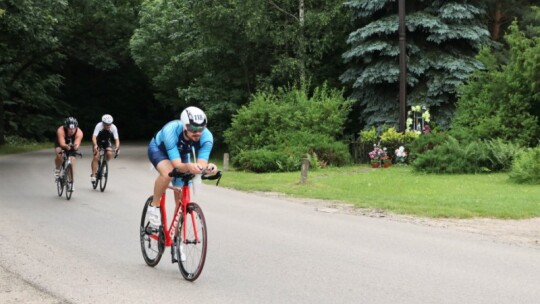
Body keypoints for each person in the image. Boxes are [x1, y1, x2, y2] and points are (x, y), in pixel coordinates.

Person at [147, 106, 218, 228]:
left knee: (182, 201)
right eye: (193, 128)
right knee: (168, 172)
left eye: (201, 128)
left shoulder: (207, 137)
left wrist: (208, 168)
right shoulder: (171, 130)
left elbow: (201, 164)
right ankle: (154, 206)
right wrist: (190, 166)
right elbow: (178, 166)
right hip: (159, 150)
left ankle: (176, 234)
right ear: (185, 126)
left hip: (182, 155)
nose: (197, 133)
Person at [54, 117, 84, 187]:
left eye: (73, 128)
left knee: (72, 160)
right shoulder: (61, 130)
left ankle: (71, 182)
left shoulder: (79, 132)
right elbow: (62, 143)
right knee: (60, 155)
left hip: (72, 143)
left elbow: (77, 144)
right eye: (70, 129)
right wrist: (65, 146)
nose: (72, 130)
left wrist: (75, 147)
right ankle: (57, 170)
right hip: (61, 142)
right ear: (66, 127)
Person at [91, 114, 120, 183]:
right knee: (96, 156)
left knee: (109, 153)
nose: (108, 126)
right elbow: (94, 137)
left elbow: (117, 139)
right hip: (98, 141)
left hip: (107, 141)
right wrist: (95, 145)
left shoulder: (113, 127)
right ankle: (93, 175)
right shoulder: (98, 125)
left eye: (109, 124)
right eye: (106, 124)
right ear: (103, 123)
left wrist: (117, 148)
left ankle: (104, 166)